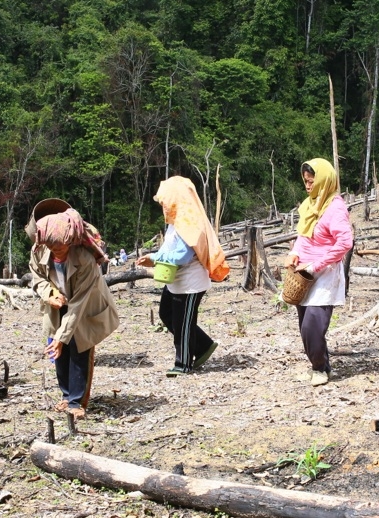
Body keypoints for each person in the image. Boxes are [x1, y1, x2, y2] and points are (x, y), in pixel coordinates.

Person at [29, 208, 119, 419]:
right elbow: (37, 277)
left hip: (84, 306)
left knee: (79, 348)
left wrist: (62, 336)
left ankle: (77, 401)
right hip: (57, 305)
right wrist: (49, 293)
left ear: (70, 241)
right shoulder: (40, 250)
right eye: (51, 247)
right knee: (58, 352)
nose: (55, 251)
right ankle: (66, 395)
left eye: (60, 247)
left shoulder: (85, 260)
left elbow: (78, 304)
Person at [136, 176, 229, 377]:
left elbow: (182, 256)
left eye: (165, 202)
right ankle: (203, 345)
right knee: (167, 314)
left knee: (183, 323)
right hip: (175, 280)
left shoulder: (191, 223)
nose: (163, 206)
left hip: (190, 282)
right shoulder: (175, 221)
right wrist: (155, 256)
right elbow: (170, 248)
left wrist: (154, 257)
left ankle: (183, 363)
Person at [283, 158, 353, 387]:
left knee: (312, 325)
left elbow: (344, 243)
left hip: (325, 273)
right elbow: (304, 236)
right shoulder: (310, 205)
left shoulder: (335, 208)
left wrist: (314, 265)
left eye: (312, 182)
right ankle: (321, 366)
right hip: (304, 274)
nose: (308, 186)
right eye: (306, 182)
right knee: (304, 325)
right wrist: (294, 253)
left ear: (324, 181)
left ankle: (318, 368)